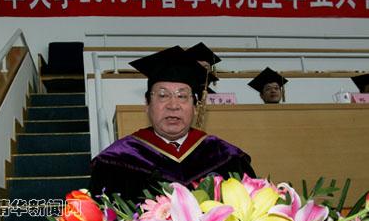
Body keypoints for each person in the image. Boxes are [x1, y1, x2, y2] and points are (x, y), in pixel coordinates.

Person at [89, 45, 256, 201]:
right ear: (147, 105)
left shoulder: (227, 158)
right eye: (162, 95)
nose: (173, 105)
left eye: (182, 96)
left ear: (195, 107)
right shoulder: (115, 162)